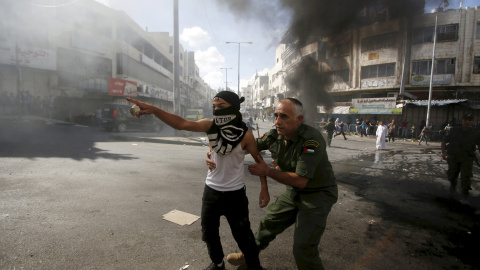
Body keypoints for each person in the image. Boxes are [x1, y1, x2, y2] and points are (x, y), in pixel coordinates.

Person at [127, 91, 268, 270]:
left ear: (233, 108)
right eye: (214, 107)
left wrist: (264, 189)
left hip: (235, 194)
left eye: (221, 107)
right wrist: (155, 110)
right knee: (209, 233)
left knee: (243, 236)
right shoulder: (210, 126)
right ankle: (217, 264)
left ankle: (255, 266)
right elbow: (181, 124)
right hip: (211, 191)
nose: (216, 111)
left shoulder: (246, 135)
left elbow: (259, 162)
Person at [208, 98, 338, 269]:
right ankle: (249, 256)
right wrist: (212, 152)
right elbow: (242, 146)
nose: (278, 121)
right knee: (269, 222)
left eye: (284, 116)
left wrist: (267, 171)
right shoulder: (274, 135)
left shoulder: (311, 140)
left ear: (299, 119)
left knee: (303, 247)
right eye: (276, 115)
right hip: (294, 191)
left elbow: (300, 180)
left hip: (318, 194)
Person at [441, 114, 480, 205]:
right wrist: (444, 153)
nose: (467, 122)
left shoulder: (475, 133)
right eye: (465, 119)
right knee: (452, 174)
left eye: (470, 120)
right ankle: (452, 186)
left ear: (472, 122)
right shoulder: (454, 130)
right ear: (462, 120)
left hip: (467, 158)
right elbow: (444, 141)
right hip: (453, 157)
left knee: (466, 177)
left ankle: (464, 195)